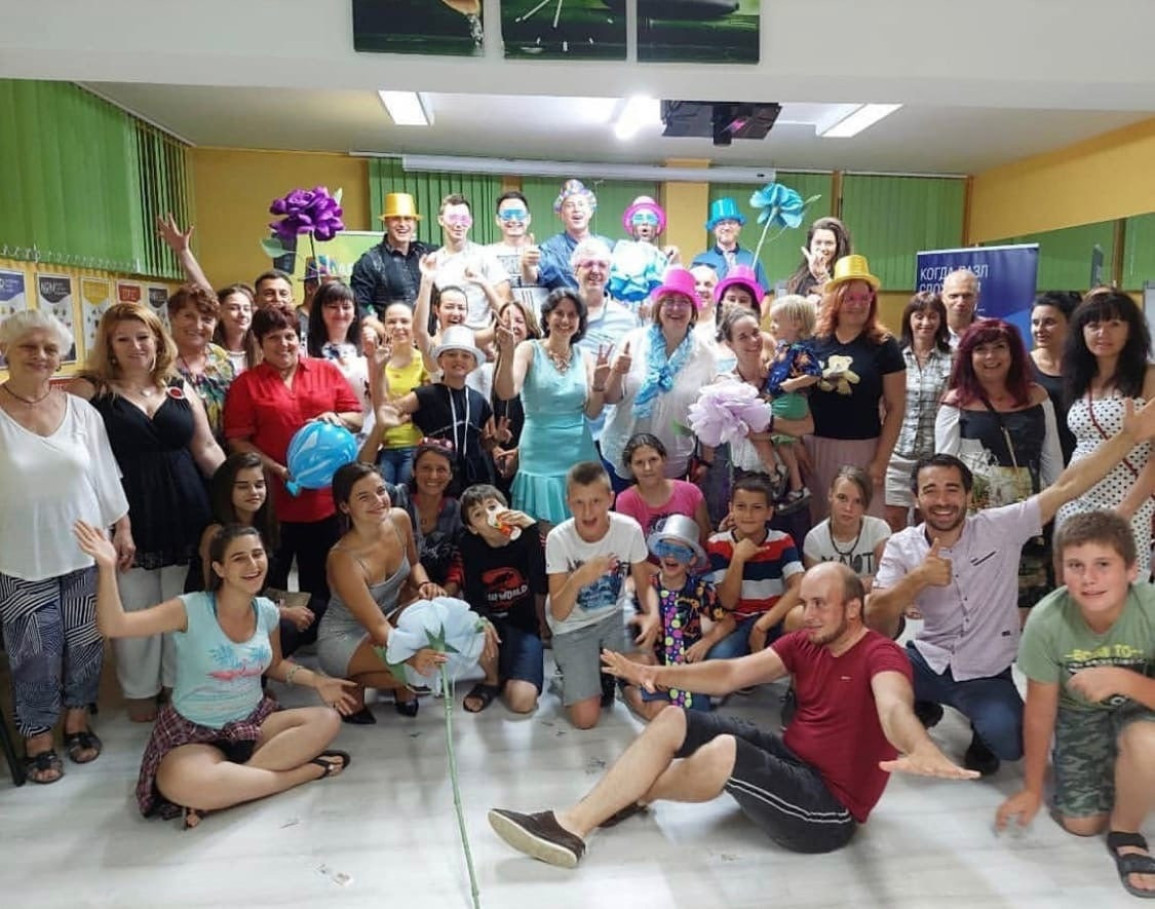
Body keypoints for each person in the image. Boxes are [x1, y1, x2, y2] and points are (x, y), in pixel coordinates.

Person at [487, 561, 977, 869]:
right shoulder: (807, 642)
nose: (807, 614)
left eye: (820, 605)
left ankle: (611, 804)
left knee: (726, 751)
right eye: (805, 603)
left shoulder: (881, 656)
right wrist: (654, 673)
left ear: (853, 609)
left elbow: (893, 707)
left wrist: (921, 746)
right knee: (674, 718)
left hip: (827, 811)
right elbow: (729, 673)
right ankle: (580, 820)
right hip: (795, 760)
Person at [868, 405, 1155, 778]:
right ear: (916, 498)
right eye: (930, 491)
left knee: (1011, 743)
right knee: (866, 688)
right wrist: (917, 578)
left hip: (985, 672)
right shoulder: (902, 545)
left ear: (968, 495)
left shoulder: (1000, 528)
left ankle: (980, 728)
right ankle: (924, 703)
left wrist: (1128, 437)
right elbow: (875, 616)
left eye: (952, 489)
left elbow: (1068, 486)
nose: (942, 501)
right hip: (927, 659)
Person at [74, 521, 356, 829]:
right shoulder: (190, 608)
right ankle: (304, 773)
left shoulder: (267, 610)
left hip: (254, 722)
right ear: (219, 568)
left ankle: (224, 791)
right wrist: (106, 568)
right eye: (239, 558)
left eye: (257, 554)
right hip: (193, 733)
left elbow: (275, 665)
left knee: (327, 719)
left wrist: (318, 681)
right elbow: (115, 626)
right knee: (184, 782)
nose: (253, 565)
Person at [71, 303, 225, 722]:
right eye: (123, 338)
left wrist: (238, 492)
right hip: (126, 513)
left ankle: (176, 683)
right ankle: (140, 689)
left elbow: (206, 448)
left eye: (143, 337)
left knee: (181, 603)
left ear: (158, 341)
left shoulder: (177, 386)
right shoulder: (89, 390)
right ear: (109, 345)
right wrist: (111, 522)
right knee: (134, 604)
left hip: (187, 509)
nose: (135, 346)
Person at [996, 511, 1155, 899]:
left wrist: (1124, 680)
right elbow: (1039, 713)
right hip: (1080, 715)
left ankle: (1126, 833)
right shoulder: (1046, 621)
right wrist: (1032, 788)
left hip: (1141, 708)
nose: (1089, 578)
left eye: (1103, 565)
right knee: (1082, 824)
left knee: (1148, 743)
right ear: (1059, 573)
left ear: (1132, 570)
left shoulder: (1150, 609)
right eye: (1075, 566)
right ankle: (1123, 771)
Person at [0, 311, 129, 783]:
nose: (40, 356)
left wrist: (123, 529)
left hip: (85, 550)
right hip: (19, 555)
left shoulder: (81, 412)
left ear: (60, 357)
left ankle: (77, 719)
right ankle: (37, 735)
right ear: (6, 351)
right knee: (34, 652)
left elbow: (106, 476)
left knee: (87, 641)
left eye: (50, 348)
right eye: (28, 346)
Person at [223, 303, 363, 607]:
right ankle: (275, 635)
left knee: (322, 586)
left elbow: (356, 418)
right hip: (273, 504)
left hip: (325, 503)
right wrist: (277, 469)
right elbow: (237, 440)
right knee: (269, 585)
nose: (283, 344)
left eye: (289, 336)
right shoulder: (246, 384)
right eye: (273, 338)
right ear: (259, 342)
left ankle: (316, 633)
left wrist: (337, 419)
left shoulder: (325, 370)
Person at [936, 319, 1063, 614]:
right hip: (976, 522)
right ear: (968, 356)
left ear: (1013, 352)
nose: (990, 356)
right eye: (981, 349)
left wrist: (1056, 509)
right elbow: (944, 470)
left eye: (999, 347)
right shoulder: (955, 402)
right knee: (977, 603)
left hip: (1030, 518)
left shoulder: (1038, 397)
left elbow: (1052, 460)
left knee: (1028, 603)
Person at [316, 463, 446, 722]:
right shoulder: (342, 558)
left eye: (380, 490)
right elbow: (376, 627)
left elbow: (414, 564)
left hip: (386, 620)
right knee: (416, 668)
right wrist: (412, 657)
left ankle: (392, 683)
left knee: (431, 613)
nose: (378, 501)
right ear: (345, 506)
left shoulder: (399, 518)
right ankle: (352, 681)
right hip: (345, 638)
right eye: (364, 497)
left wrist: (425, 585)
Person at [545, 461, 654, 729]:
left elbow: (645, 586)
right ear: (568, 503)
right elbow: (559, 612)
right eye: (579, 503)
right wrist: (578, 579)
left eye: (595, 501)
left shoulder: (629, 529)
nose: (588, 511)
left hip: (615, 615)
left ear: (610, 498)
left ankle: (610, 676)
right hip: (572, 624)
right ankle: (569, 674)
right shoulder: (558, 539)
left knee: (646, 667)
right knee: (586, 720)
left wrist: (653, 615)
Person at [1057, 289, 1155, 580]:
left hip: (1127, 504)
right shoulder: (1079, 377)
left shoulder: (1148, 377)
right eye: (1094, 325)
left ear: (1130, 330)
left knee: (1123, 590)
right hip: (1074, 501)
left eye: (1114, 324)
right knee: (1074, 587)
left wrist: (1125, 511)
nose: (1103, 333)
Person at [494, 287, 609, 528]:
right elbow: (506, 391)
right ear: (547, 317)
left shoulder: (585, 356)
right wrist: (507, 353)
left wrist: (599, 384)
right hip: (539, 453)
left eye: (572, 315)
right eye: (559, 313)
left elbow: (592, 412)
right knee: (542, 531)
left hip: (580, 452)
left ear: (580, 321)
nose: (565, 320)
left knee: (586, 524)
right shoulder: (529, 349)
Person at [807, 255, 906, 523]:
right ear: (836, 300)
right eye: (849, 298)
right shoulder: (815, 342)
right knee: (819, 521)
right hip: (816, 449)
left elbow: (896, 408)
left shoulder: (885, 345)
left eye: (864, 297)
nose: (857, 304)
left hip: (864, 449)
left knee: (861, 523)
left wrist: (881, 461)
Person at [193, 453, 320, 658]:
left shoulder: (265, 524)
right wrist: (280, 612)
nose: (253, 492)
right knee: (287, 627)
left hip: (254, 602)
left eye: (259, 485)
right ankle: (254, 669)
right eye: (242, 486)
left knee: (317, 608)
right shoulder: (216, 533)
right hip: (222, 617)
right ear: (227, 490)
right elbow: (218, 600)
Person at [602, 267, 718, 491]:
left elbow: (708, 416)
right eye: (669, 301)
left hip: (672, 459)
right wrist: (616, 372)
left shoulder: (705, 356)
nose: (676, 308)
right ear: (658, 307)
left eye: (683, 302)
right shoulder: (633, 341)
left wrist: (706, 460)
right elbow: (610, 397)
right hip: (622, 451)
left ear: (693, 309)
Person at [457, 483, 547, 714]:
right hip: (490, 624)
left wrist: (532, 531)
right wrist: (482, 620)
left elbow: (542, 584)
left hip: (524, 626)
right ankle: (491, 679)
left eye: (492, 507)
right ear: (472, 528)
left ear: (506, 508)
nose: (489, 516)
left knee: (522, 702)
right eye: (478, 514)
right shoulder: (469, 545)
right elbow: (473, 595)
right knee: (477, 626)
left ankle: (506, 673)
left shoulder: (526, 537)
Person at [624, 514, 725, 719]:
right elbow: (635, 635)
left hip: (686, 670)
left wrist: (707, 642)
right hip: (652, 663)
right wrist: (656, 669)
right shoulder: (645, 589)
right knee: (658, 711)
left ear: (692, 559)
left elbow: (727, 621)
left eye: (680, 551)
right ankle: (627, 689)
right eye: (665, 549)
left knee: (696, 715)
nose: (671, 556)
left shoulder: (700, 590)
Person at [392, 325, 501, 492]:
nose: (458, 360)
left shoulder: (479, 400)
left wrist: (496, 439)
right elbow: (392, 410)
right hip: (436, 477)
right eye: (451, 354)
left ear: (473, 363)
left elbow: (483, 444)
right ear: (441, 360)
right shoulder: (426, 394)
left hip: (474, 478)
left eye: (465, 356)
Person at [706, 472, 802, 660]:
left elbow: (799, 587)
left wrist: (762, 625)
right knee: (718, 657)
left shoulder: (782, 540)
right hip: (739, 622)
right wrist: (738, 558)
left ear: (769, 512)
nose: (748, 515)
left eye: (757, 508)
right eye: (741, 507)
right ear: (731, 509)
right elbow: (728, 602)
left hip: (776, 617)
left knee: (800, 619)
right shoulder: (718, 543)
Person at [885, 292, 954, 532]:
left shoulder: (953, 357)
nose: (926, 322)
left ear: (941, 320)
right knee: (892, 521)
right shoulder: (893, 354)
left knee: (926, 522)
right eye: (919, 316)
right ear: (909, 319)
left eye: (933, 316)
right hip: (896, 454)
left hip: (933, 455)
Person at [569, 238, 639, 445]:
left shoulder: (626, 319)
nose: (595, 270)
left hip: (608, 429)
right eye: (588, 264)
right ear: (575, 270)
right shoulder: (560, 313)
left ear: (609, 272)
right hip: (567, 424)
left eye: (602, 265)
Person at [756, 294, 821, 512]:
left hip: (791, 399)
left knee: (775, 434)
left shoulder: (801, 350)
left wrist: (792, 384)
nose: (772, 326)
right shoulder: (783, 348)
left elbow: (814, 373)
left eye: (777, 321)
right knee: (783, 440)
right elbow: (778, 367)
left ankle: (782, 473)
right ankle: (795, 484)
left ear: (796, 324)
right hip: (780, 396)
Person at [384, 439, 466, 597]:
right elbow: (363, 475)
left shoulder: (457, 511)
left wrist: (443, 596)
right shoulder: (397, 498)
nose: (433, 475)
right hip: (394, 594)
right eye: (426, 468)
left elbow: (460, 562)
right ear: (413, 471)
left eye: (441, 469)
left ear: (451, 475)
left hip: (441, 593)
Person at [351, 192, 437, 324]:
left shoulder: (428, 253)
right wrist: (380, 330)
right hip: (391, 335)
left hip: (430, 335)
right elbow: (357, 306)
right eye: (396, 219)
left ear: (415, 223)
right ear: (386, 222)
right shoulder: (369, 262)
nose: (402, 224)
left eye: (408, 219)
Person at [428, 193, 509, 331]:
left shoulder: (485, 255)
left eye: (464, 219)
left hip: (481, 337)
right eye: (453, 218)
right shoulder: (434, 260)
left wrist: (483, 282)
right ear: (441, 220)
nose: (459, 224)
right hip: (446, 338)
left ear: (470, 222)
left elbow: (506, 309)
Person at [614, 432, 711, 546]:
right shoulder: (625, 501)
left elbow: (705, 539)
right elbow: (630, 548)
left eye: (653, 460)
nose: (647, 468)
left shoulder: (691, 492)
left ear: (664, 460)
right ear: (630, 467)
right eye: (639, 463)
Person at [370, 302, 430, 484]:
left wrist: (399, 409)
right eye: (391, 321)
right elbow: (380, 407)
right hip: (383, 445)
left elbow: (427, 406)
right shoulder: (376, 359)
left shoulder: (424, 361)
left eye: (404, 321)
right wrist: (380, 369)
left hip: (415, 445)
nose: (398, 327)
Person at [804, 466, 890, 591]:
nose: (848, 508)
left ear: (866, 505)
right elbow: (816, 588)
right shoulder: (815, 539)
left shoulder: (878, 530)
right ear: (830, 495)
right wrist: (866, 584)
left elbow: (888, 579)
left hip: (872, 599)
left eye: (857, 501)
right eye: (842, 498)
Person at [167, 284, 235, 440]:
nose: (198, 325)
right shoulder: (157, 360)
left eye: (206, 319)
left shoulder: (221, 357)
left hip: (223, 448)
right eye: (188, 316)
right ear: (172, 316)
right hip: (177, 448)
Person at [305, 281, 371, 429]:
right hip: (327, 430)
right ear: (320, 311)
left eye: (346, 307)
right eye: (333, 307)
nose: (340, 313)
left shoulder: (367, 349)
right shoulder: (306, 350)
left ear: (355, 313)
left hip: (369, 431)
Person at [1029, 290, 1081, 465]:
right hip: (1037, 459)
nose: (1040, 329)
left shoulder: (1087, 367)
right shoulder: (1021, 365)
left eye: (1049, 322)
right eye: (1035, 323)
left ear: (1070, 324)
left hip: (1080, 459)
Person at [538, 180, 615, 291]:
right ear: (561, 214)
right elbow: (534, 276)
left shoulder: (608, 247)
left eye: (581, 204)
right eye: (569, 205)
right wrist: (527, 264)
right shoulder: (550, 249)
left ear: (591, 211)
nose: (576, 209)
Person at [608, 195, 677, 315]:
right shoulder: (620, 254)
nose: (645, 223)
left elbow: (673, 295)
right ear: (631, 226)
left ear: (657, 227)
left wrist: (654, 310)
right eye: (639, 218)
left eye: (650, 219)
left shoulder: (665, 259)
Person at [487, 190, 548, 314]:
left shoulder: (545, 252)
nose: (514, 219)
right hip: (504, 321)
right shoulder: (486, 254)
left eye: (519, 214)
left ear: (528, 218)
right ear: (497, 220)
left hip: (543, 323)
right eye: (507, 214)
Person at [691, 198, 769, 289]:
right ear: (713, 229)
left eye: (731, 223)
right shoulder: (700, 261)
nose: (727, 227)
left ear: (739, 227)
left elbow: (764, 294)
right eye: (721, 223)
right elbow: (692, 292)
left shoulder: (752, 260)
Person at [785, 217, 853, 301]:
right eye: (818, 242)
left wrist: (822, 276)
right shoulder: (799, 279)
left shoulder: (847, 277)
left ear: (838, 246)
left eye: (829, 243)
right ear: (810, 245)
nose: (823, 248)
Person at [212, 284, 260, 375]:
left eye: (246, 309)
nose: (242, 314)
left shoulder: (261, 351)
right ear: (219, 312)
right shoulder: (208, 351)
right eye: (233, 308)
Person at [942, 268, 979, 348]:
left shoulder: (990, 332)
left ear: (977, 297)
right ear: (942, 297)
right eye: (954, 296)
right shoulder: (931, 333)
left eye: (967, 296)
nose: (960, 302)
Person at [690, 264, 720, 348]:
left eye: (708, 284)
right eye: (696, 284)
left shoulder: (724, 324)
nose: (701, 289)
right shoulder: (676, 320)